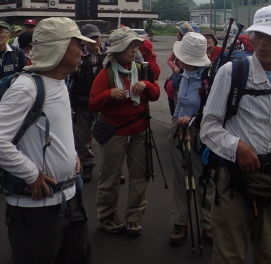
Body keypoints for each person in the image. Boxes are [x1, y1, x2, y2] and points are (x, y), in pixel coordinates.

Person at [0, 17, 95, 264]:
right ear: (60, 47)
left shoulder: (60, 82)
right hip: (35, 211)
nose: (83, 51)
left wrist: (71, 154)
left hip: (70, 198)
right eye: (78, 45)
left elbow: (56, 128)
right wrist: (30, 173)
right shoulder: (27, 87)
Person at [201, 5, 271, 264]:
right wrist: (237, 146)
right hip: (235, 182)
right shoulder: (232, 73)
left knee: (269, 255)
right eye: (257, 35)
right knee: (230, 256)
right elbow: (208, 125)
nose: (262, 42)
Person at [89, 26, 161, 237]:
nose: (134, 50)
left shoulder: (141, 68)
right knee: (110, 178)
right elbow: (92, 104)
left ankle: (134, 217)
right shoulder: (105, 73)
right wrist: (109, 94)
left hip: (140, 130)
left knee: (140, 176)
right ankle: (106, 216)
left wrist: (146, 84)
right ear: (118, 49)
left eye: (136, 45)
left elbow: (155, 95)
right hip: (116, 132)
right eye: (130, 46)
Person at [168, 32, 214, 246]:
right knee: (181, 179)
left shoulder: (211, 77)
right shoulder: (185, 74)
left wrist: (192, 122)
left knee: (203, 179)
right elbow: (180, 101)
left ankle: (208, 222)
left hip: (201, 133)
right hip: (180, 130)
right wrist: (176, 119)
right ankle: (180, 221)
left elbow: (213, 110)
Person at [68, 24, 106, 183]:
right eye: (91, 37)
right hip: (81, 103)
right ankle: (88, 164)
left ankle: (110, 168)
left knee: (108, 136)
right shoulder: (75, 56)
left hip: (103, 103)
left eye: (97, 37)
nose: (95, 40)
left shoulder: (107, 56)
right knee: (80, 137)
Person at [166, 22, 195, 115]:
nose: (176, 35)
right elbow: (170, 60)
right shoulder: (177, 46)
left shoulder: (193, 48)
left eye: (177, 33)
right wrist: (175, 67)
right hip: (178, 75)